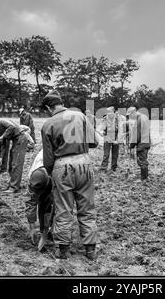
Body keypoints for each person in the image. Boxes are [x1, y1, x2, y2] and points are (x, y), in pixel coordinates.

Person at [41, 90, 99, 260]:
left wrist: (53, 174)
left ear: (48, 107)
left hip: (62, 167)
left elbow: (48, 159)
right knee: (87, 208)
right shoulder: (80, 116)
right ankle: (90, 250)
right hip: (84, 163)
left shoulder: (47, 125)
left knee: (63, 209)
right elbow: (94, 141)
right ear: (61, 102)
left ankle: (63, 250)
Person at [0, 117, 27, 193]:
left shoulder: (2, 122)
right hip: (16, 141)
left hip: (21, 138)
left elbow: (12, 127)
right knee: (11, 164)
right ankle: (12, 185)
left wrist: (2, 137)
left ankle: (14, 187)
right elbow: (2, 144)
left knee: (16, 164)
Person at [25, 149, 54, 252]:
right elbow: (30, 203)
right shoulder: (31, 178)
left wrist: (46, 232)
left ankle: (47, 230)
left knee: (49, 201)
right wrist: (32, 228)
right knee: (39, 201)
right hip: (44, 172)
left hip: (59, 169)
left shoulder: (55, 173)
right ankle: (43, 229)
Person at [128, 104, 151, 180]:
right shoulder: (144, 117)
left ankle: (144, 179)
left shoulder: (139, 120)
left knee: (141, 161)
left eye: (130, 115)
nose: (130, 117)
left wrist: (131, 145)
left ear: (133, 113)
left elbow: (137, 134)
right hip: (146, 142)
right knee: (144, 160)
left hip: (142, 143)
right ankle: (145, 177)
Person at [99, 106, 125, 172]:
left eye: (109, 112)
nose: (108, 113)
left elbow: (120, 130)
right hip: (107, 138)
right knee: (106, 154)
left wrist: (118, 140)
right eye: (107, 112)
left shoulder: (118, 119)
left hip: (116, 138)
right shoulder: (105, 118)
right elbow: (101, 127)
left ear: (113, 112)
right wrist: (102, 131)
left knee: (115, 154)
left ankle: (113, 168)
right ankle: (103, 168)